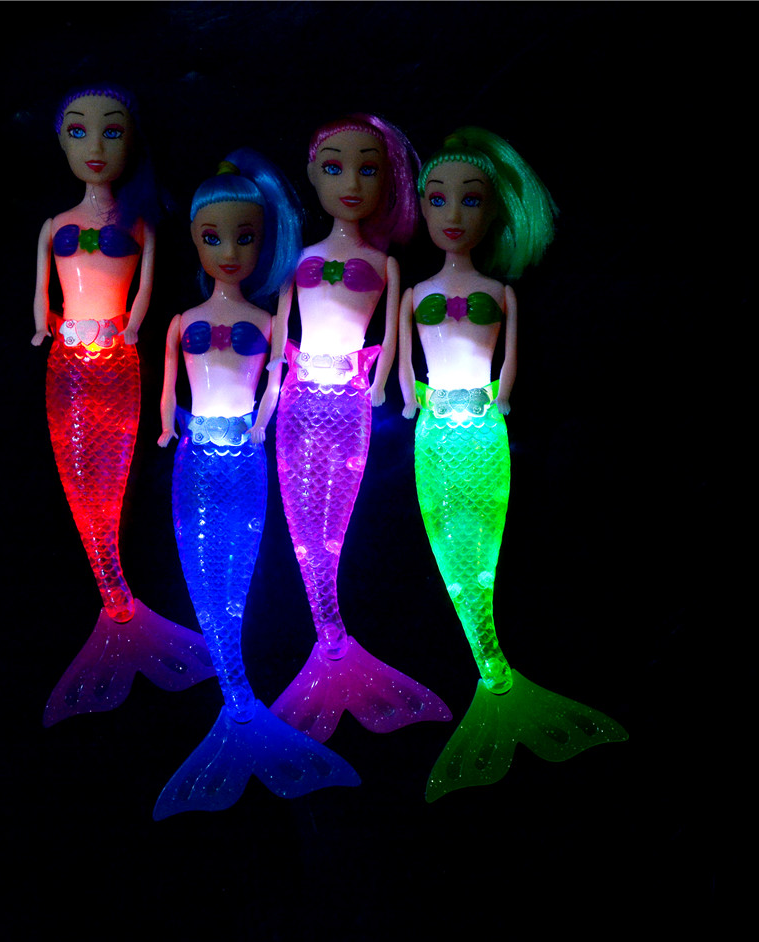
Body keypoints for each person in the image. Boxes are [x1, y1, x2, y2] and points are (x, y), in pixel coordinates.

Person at [399, 127, 626, 797]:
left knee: (482, 553)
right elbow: (407, 364)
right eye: (437, 199)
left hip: (484, 431)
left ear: (494, 212)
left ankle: (496, 678)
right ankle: (492, 674)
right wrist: (411, 398)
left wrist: (499, 402)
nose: (453, 214)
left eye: (470, 200)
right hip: (435, 433)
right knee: (450, 550)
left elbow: (512, 363)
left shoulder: (502, 293)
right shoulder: (412, 294)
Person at [154, 151, 358, 819]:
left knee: (238, 576)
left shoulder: (272, 324)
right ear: (193, 240)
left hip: (244, 456)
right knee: (203, 574)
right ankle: (238, 703)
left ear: (264, 242)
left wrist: (265, 425)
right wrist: (165, 426)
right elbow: (168, 389)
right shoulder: (181, 322)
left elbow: (276, 381)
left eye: (245, 237)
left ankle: (240, 705)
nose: (229, 251)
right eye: (213, 237)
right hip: (194, 457)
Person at [270, 114, 451, 743]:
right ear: (312, 175)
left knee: (334, 520)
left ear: (389, 181)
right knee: (302, 522)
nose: (350, 182)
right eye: (334, 167)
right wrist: (271, 393)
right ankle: (330, 639)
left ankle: (333, 641)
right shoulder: (300, 259)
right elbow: (281, 333)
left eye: (368, 169)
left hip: (350, 397)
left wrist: (383, 387)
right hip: (298, 397)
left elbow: (394, 335)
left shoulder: (387, 264)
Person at [36, 84, 211, 728]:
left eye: (111, 130)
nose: (95, 145)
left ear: (132, 143)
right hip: (67, 362)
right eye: (78, 131)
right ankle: (116, 600)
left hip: (117, 360)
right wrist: (42, 323)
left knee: (110, 476)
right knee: (78, 476)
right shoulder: (54, 225)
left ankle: (122, 604)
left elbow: (144, 292)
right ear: (60, 143)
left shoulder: (141, 223)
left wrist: (133, 326)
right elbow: (42, 291)